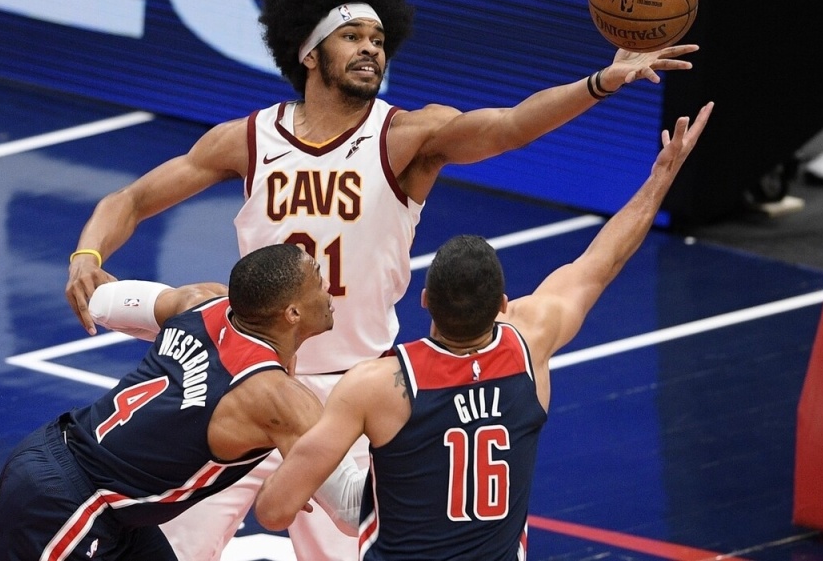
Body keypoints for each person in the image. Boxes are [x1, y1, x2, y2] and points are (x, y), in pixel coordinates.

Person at [64, 0, 700, 561]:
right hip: (245, 378)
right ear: (309, 53)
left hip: (347, 398)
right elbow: (131, 199)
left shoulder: (406, 137)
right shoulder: (247, 139)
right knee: (170, 550)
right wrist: (89, 252)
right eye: (352, 37)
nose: (371, 47)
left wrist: (599, 83)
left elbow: (509, 127)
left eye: (378, 38)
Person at [254, 102, 714, 560]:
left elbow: (275, 511)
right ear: (502, 305)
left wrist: (299, 439)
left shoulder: (375, 385)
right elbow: (602, 261)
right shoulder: (530, 344)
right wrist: (661, 177)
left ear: (425, 299)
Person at [0, 244, 364, 560]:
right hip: (69, 505)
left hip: (73, 467)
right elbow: (350, 508)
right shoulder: (280, 400)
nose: (328, 287)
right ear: (292, 314)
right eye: (318, 279)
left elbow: (103, 304)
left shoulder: (200, 302)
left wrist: (87, 262)